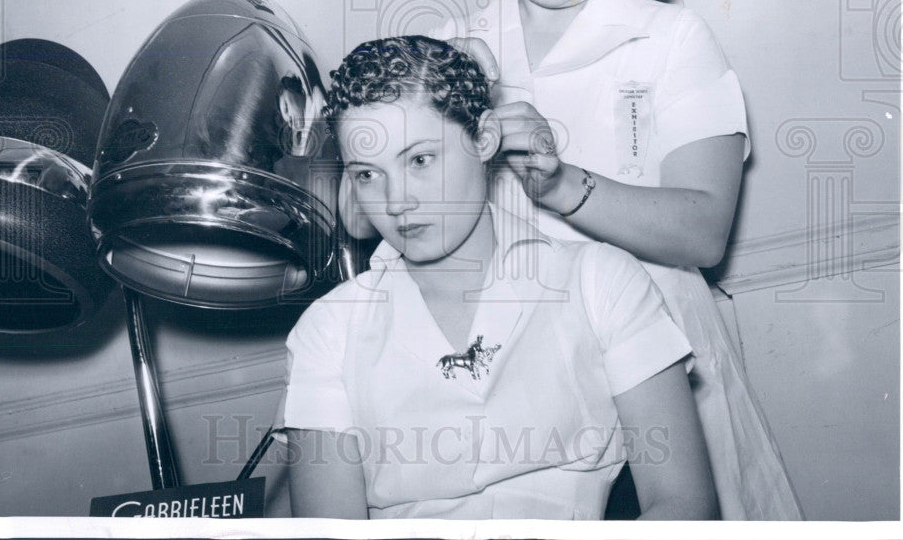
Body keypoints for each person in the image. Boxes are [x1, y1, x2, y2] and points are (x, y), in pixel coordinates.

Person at [423, 0, 801, 520]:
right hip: (523, 397)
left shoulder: (671, 40)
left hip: (665, 378)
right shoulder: (451, 50)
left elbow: (702, 230)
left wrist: (562, 183)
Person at [282, 36, 718, 520]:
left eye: (420, 160)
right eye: (367, 174)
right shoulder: (330, 330)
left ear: (484, 138)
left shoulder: (601, 283)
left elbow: (684, 506)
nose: (395, 200)